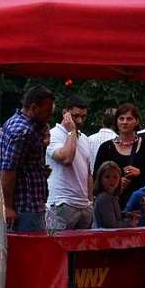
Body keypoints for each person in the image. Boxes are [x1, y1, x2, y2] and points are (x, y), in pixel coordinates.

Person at [0, 85, 54, 232]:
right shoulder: (23, 132)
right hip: (26, 207)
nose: (49, 117)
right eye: (47, 112)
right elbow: (8, 170)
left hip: (28, 206)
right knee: (32, 251)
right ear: (34, 108)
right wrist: (8, 207)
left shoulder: (16, 123)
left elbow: (20, 165)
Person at [93, 103, 145, 203]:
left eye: (129, 119)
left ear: (136, 121)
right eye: (121, 118)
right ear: (116, 121)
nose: (125, 122)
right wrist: (114, 182)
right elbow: (97, 177)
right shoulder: (106, 147)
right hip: (114, 204)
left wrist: (141, 173)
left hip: (144, 203)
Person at [45, 95, 93, 231]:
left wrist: (90, 202)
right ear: (65, 113)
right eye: (75, 116)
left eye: (83, 116)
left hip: (83, 205)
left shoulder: (84, 138)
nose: (79, 120)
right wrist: (71, 131)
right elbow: (66, 158)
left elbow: (88, 172)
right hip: (61, 202)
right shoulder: (53, 135)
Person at [91, 161, 127, 229]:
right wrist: (129, 223)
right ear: (100, 179)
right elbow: (111, 225)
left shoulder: (113, 197)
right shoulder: (104, 198)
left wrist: (125, 215)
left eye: (115, 177)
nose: (111, 180)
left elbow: (112, 214)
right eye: (107, 177)